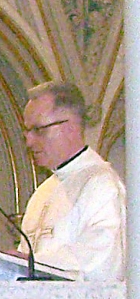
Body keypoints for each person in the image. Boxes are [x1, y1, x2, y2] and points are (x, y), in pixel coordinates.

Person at [19, 80, 125, 282]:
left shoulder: (101, 184)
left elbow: (102, 263)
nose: (29, 141)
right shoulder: (42, 193)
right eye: (27, 131)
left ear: (70, 127)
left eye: (38, 130)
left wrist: (34, 263)